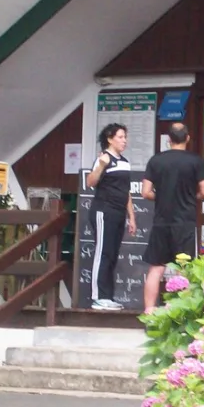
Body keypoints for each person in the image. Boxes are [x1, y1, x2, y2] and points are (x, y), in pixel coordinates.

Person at [141, 122, 204, 312]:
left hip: (161, 221)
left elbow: (145, 192)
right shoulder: (196, 161)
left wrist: (162, 196)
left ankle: (149, 312)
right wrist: (191, 196)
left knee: (156, 268)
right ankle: (180, 311)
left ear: (168, 140)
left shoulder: (156, 160)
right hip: (185, 222)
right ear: (188, 138)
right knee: (184, 269)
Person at [86, 123, 136, 311]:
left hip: (119, 212)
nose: (124, 141)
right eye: (121, 137)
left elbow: (126, 191)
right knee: (103, 252)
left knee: (113, 254)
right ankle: (98, 297)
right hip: (103, 210)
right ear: (110, 139)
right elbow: (90, 182)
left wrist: (131, 216)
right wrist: (102, 166)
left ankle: (108, 296)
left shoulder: (124, 161)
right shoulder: (103, 158)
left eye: (125, 137)